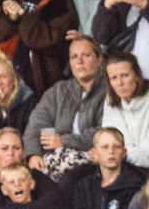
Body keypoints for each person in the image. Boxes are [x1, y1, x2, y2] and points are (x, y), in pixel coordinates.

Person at [24, 34, 109, 178]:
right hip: (53, 159)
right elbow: (35, 125)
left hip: (91, 159)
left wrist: (64, 141)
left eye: (86, 55)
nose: (79, 61)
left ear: (99, 60)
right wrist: (33, 155)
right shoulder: (58, 90)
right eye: (74, 57)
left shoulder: (108, 90)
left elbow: (105, 130)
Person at [98, 51, 149, 171]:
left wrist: (122, 153)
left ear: (137, 75)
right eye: (114, 78)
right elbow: (108, 141)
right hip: (119, 164)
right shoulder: (110, 99)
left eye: (125, 75)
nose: (120, 83)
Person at [65, 127, 146, 209]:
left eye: (117, 147)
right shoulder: (84, 185)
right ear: (94, 153)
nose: (111, 151)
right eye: (105, 147)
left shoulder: (134, 185)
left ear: (124, 153)